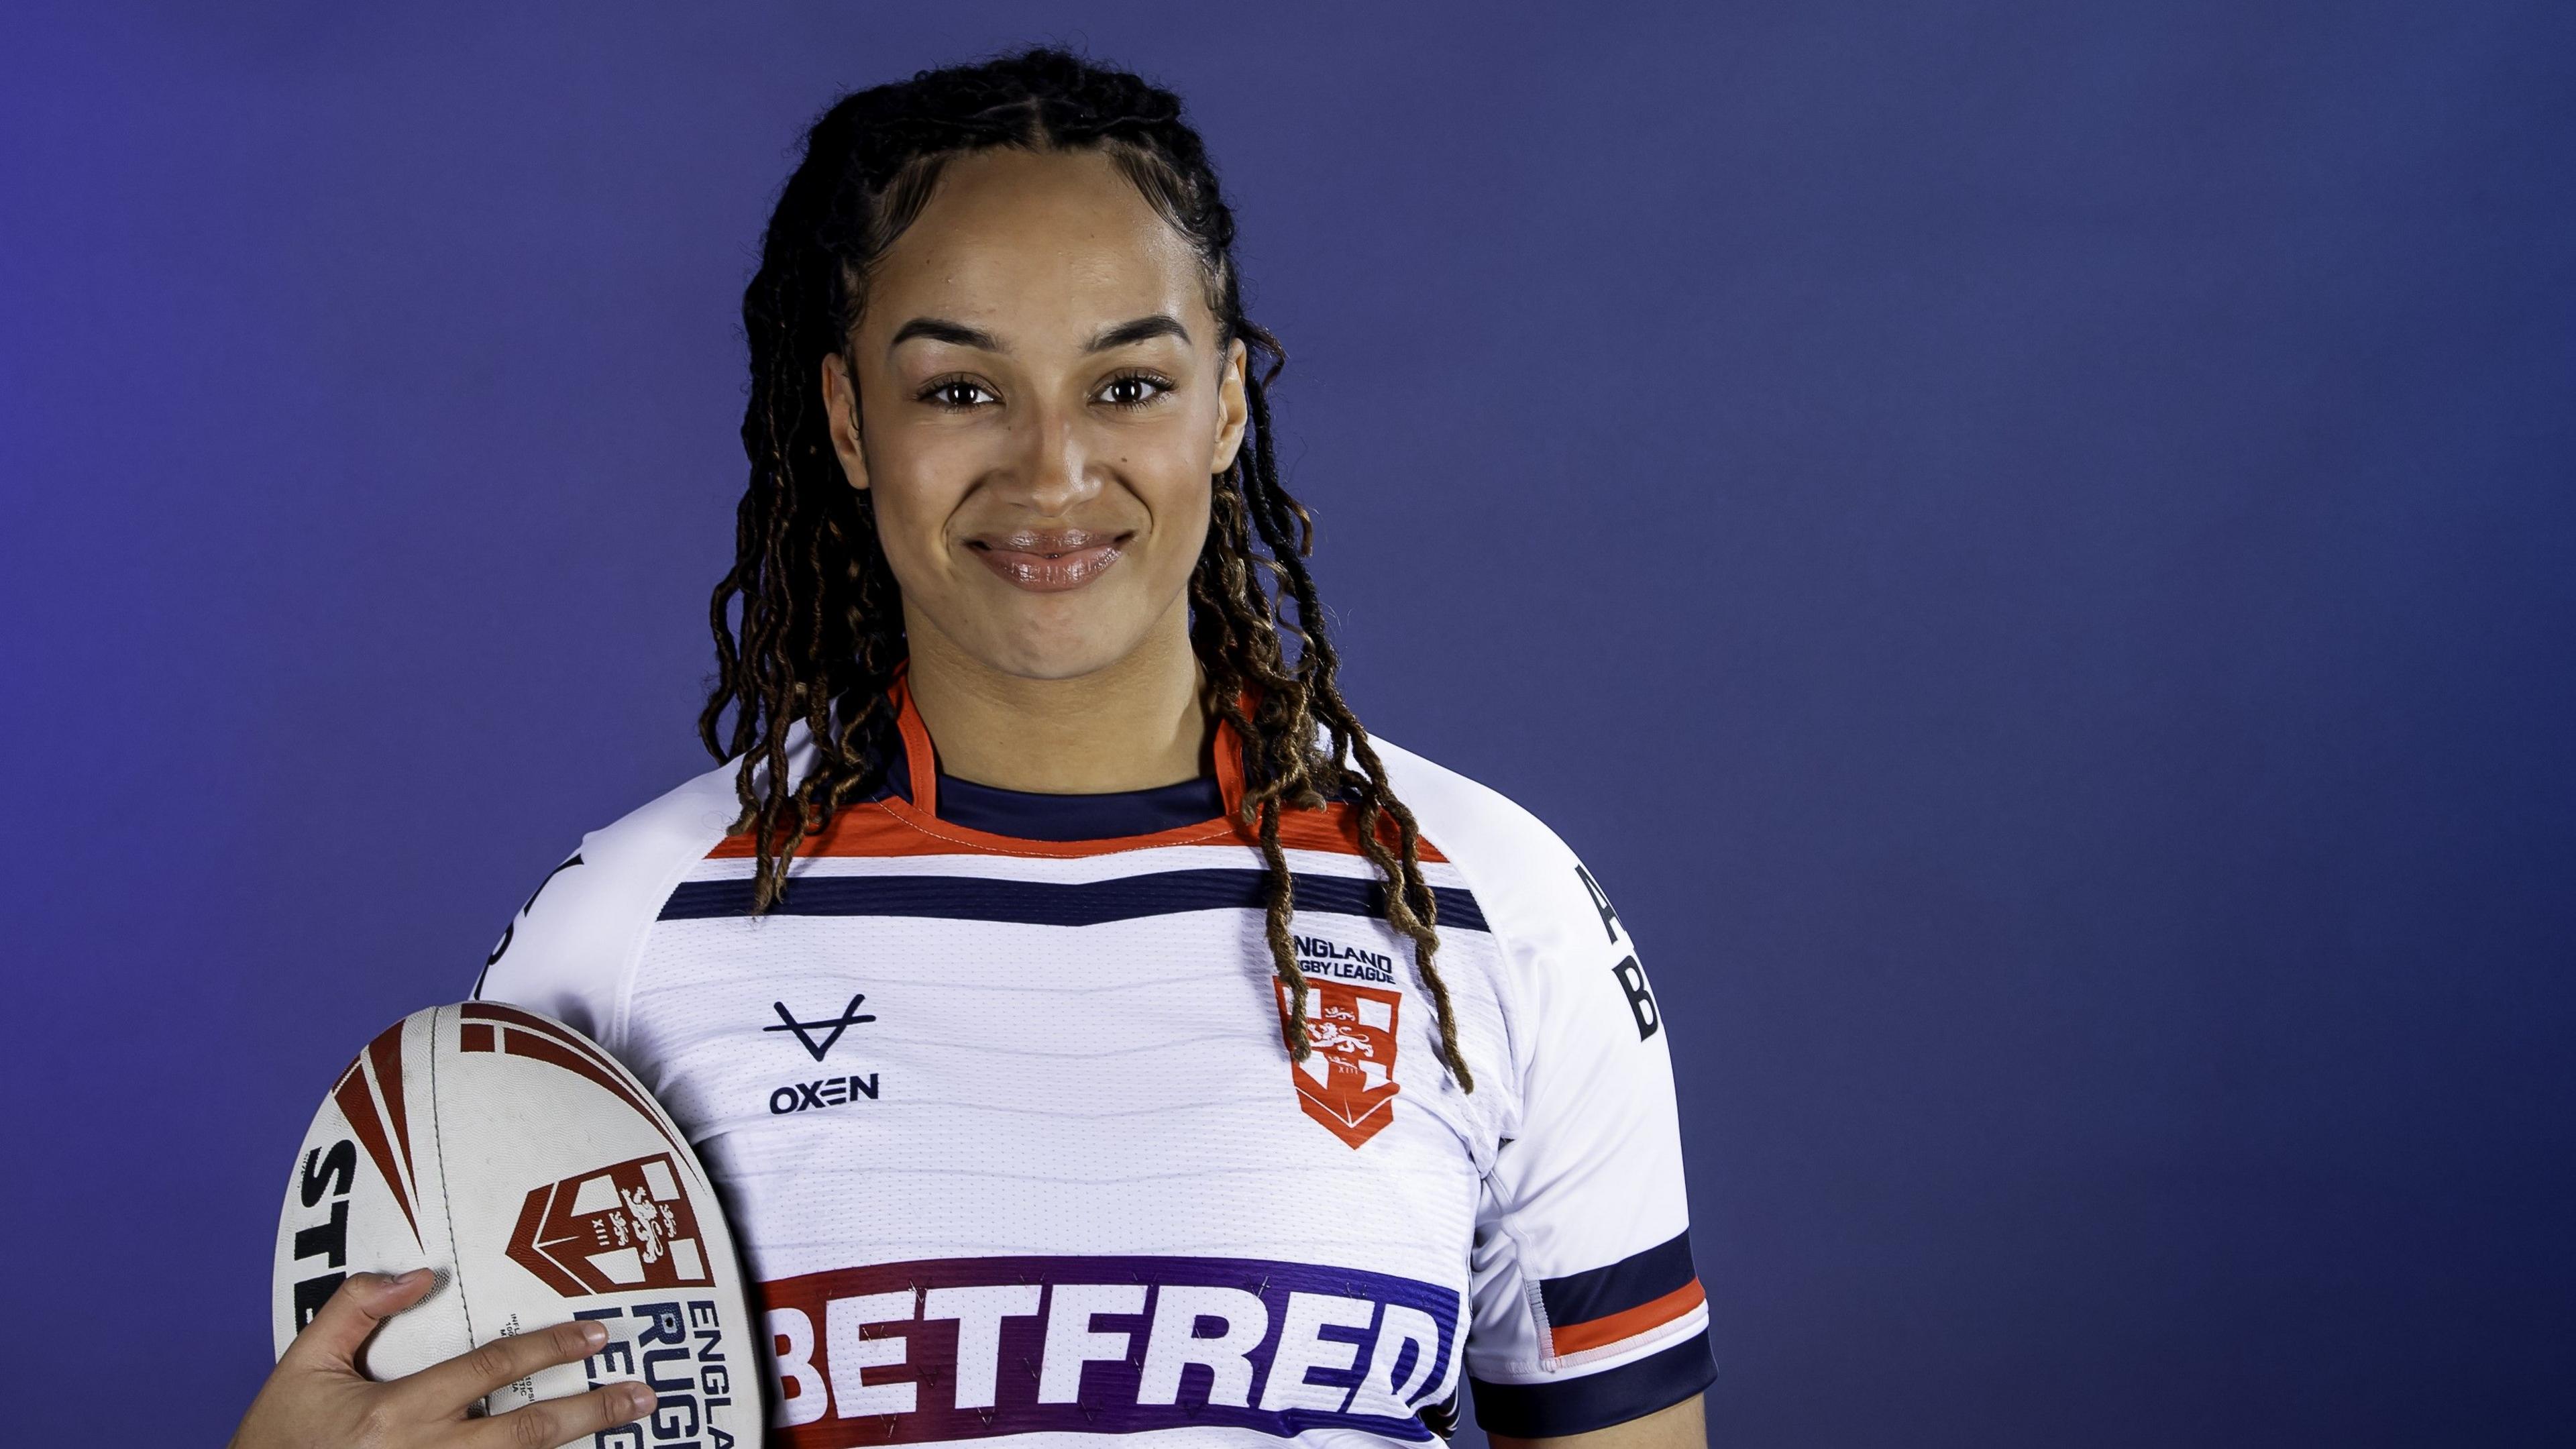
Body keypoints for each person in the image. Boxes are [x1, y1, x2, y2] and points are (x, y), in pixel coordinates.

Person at [233, 47, 1711, 1449]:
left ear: (1227, 409)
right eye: (959, 390)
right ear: (849, 420)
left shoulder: (1483, 909)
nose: (1052, 472)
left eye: (1127, 384)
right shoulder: (635, 929)